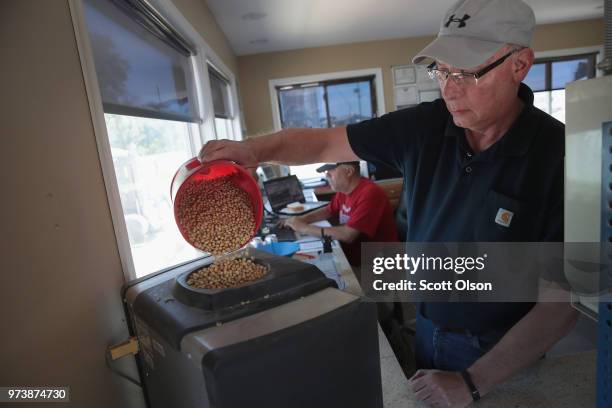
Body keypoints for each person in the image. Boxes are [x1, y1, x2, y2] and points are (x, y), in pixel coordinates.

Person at [198, 0, 578, 406]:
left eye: (467, 73)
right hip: (428, 324)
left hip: (501, 351)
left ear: (519, 65)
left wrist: (471, 381)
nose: (450, 89)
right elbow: (323, 141)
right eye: (441, 70)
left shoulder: (561, 156)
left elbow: (563, 302)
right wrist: (252, 151)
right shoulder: (425, 126)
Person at [278, 161, 398, 267]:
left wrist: (304, 228)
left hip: (373, 263)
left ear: (348, 171)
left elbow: (348, 235)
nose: (326, 175)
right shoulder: (345, 190)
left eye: (330, 171)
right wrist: (301, 219)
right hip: (353, 254)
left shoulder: (370, 193)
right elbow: (328, 210)